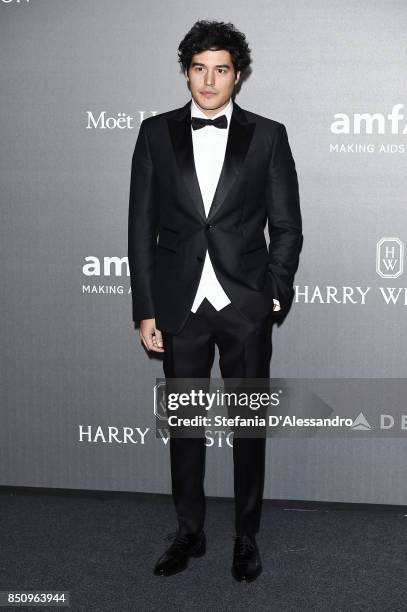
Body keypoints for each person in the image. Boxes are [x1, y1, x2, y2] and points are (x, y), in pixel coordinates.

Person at [128, 19, 303, 582]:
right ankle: (189, 532)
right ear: (186, 72)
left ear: (238, 76)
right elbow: (141, 229)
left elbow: (288, 226)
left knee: (248, 428)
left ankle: (246, 535)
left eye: (220, 69)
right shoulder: (155, 134)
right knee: (185, 427)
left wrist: (272, 293)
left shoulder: (268, 136)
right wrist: (146, 308)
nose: (209, 80)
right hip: (180, 307)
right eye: (199, 68)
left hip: (245, 306)